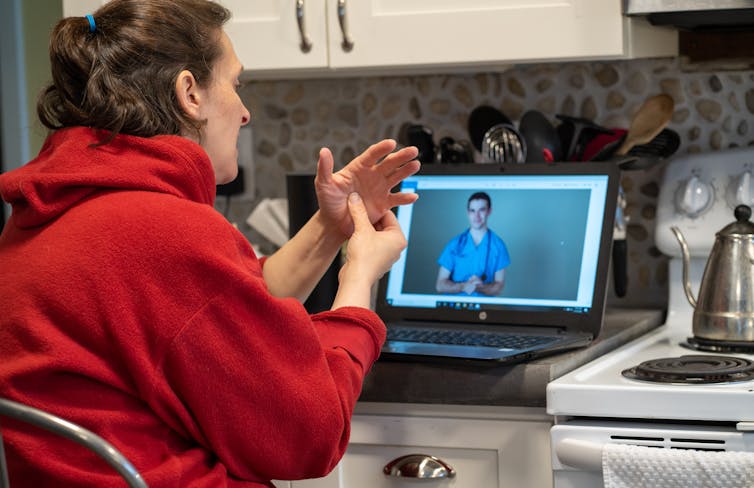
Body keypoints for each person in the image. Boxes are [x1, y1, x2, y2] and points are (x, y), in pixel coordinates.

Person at [0, 1, 420, 487]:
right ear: (189, 94)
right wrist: (359, 278)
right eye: (235, 84)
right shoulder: (162, 230)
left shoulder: (47, 214)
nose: (244, 113)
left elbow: (217, 313)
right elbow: (310, 435)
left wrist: (332, 227)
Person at [436, 192, 510, 296]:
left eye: (482, 210)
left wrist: (480, 287)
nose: (477, 216)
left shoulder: (498, 246)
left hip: (483, 309)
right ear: (468, 213)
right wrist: (463, 286)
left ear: (489, 211)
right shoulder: (455, 244)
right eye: (472, 210)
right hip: (454, 308)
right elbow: (440, 285)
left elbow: (499, 287)